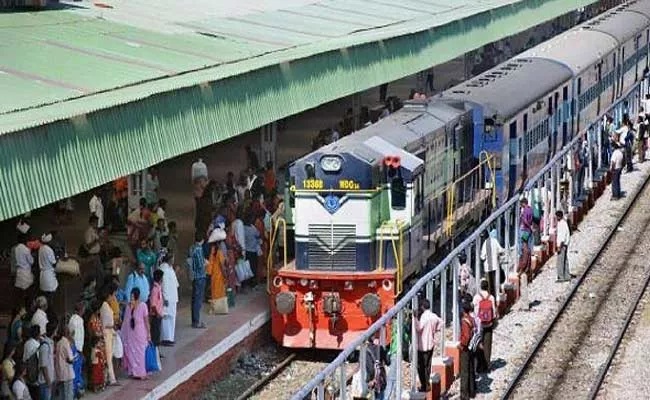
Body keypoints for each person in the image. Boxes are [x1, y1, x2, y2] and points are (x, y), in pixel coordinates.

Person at [121, 288, 150, 380]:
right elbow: (146, 321)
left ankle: (136, 372)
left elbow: (146, 321)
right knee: (136, 353)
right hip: (135, 334)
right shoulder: (136, 306)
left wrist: (148, 333)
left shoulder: (136, 306)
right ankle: (137, 372)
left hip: (135, 334)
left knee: (136, 352)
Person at [415, 299, 442, 392]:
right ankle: (426, 384)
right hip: (431, 343)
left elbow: (419, 328)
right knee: (428, 365)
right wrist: (435, 330)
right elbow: (441, 322)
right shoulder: (434, 316)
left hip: (422, 345)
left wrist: (415, 319)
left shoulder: (423, 317)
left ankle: (424, 385)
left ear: (422, 307)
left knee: (421, 366)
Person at [472, 279, 497, 371]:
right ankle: (487, 364)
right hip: (489, 324)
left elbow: (474, 311)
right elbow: (494, 312)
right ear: (487, 287)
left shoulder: (476, 297)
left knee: (479, 343)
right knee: (488, 344)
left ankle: (479, 365)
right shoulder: (491, 297)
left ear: (481, 287)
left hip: (479, 324)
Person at [206, 228, 228, 314]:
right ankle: (220, 309)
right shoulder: (219, 252)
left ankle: (214, 309)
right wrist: (225, 275)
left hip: (213, 275)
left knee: (214, 293)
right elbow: (222, 266)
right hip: (219, 275)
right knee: (220, 293)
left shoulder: (212, 250)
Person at [187, 233, 207, 329]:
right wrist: (205, 263)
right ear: (202, 240)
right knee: (198, 299)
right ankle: (197, 321)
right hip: (200, 276)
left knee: (194, 298)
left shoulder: (192, 247)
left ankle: (194, 319)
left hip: (194, 276)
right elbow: (200, 264)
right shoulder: (199, 249)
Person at [159, 252, 179, 346]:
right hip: (168, 298)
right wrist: (165, 297)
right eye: (173, 258)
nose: (174, 260)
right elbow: (164, 285)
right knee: (166, 318)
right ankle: (166, 338)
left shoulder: (170, 269)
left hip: (173, 297)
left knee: (172, 317)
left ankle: (170, 337)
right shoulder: (164, 270)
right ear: (169, 259)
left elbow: (175, 283)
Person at [100, 285, 118, 386]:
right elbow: (106, 323)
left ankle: (108, 378)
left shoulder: (106, 305)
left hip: (109, 333)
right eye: (113, 295)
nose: (114, 298)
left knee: (109, 356)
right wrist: (113, 325)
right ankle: (111, 379)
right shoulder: (105, 306)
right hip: (107, 333)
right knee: (108, 356)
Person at [459, 301, 476, 400]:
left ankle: (464, 395)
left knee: (464, 371)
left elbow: (466, 336)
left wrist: (462, 345)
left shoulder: (465, 321)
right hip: (472, 347)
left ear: (463, 310)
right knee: (471, 368)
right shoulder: (472, 319)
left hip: (466, 348)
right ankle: (472, 391)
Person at [480, 229, 504, 298]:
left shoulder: (484, 244)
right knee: (495, 282)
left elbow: (482, 257)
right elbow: (501, 250)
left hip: (487, 268)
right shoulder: (494, 241)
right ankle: (496, 297)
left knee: (489, 285)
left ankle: (490, 297)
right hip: (495, 266)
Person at [14, 233, 35, 309]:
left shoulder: (16, 248)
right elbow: (31, 261)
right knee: (29, 294)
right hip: (26, 273)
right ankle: (28, 309)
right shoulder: (26, 249)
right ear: (23, 240)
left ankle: (20, 309)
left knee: (20, 295)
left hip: (19, 272)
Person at [38, 233, 58, 305]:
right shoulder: (49, 250)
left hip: (42, 275)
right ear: (49, 241)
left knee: (44, 298)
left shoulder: (41, 248)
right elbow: (54, 263)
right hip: (49, 276)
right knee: (50, 298)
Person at [55, 325, 75, 400]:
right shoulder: (66, 343)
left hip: (60, 373)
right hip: (67, 373)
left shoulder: (58, 343)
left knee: (62, 395)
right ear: (67, 333)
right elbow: (70, 359)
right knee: (68, 395)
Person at [38, 321, 56, 400]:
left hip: (49, 379)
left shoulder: (50, 343)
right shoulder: (45, 346)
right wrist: (48, 380)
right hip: (45, 381)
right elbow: (43, 365)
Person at [244, 214, 261, 287]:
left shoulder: (244, 228)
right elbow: (258, 234)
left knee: (248, 267)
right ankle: (253, 283)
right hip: (253, 251)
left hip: (247, 250)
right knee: (253, 267)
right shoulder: (252, 228)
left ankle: (248, 282)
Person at [150, 270, 164, 352]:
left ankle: (157, 352)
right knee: (155, 335)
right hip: (156, 315)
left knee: (157, 334)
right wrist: (157, 313)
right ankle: (154, 352)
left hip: (158, 314)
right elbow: (153, 304)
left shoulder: (158, 287)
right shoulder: (155, 289)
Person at [556, 210, 571, 282]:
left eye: (557, 216)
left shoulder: (561, 224)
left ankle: (561, 277)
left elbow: (562, 237)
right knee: (565, 260)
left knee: (560, 261)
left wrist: (559, 246)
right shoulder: (564, 223)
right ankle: (567, 275)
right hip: (565, 244)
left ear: (559, 216)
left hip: (562, 245)